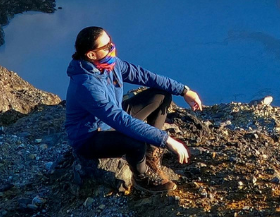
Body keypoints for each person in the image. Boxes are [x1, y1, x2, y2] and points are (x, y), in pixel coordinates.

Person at [64, 26, 204, 193]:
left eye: (111, 43)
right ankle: (142, 178)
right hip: (90, 136)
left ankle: (150, 155)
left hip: (111, 119)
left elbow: (145, 76)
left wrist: (184, 90)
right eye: (107, 47)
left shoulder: (110, 65)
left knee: (161, 95)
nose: (113, 48)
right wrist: (166, 139)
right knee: (135, 141)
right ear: (91, 54)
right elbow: (118, 119)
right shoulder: (86, 85)